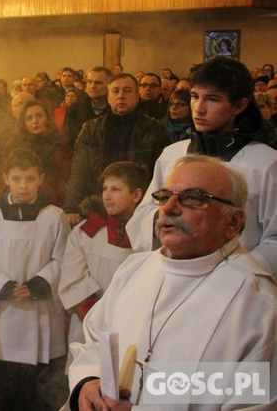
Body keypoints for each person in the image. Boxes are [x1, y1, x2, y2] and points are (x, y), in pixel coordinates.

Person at [67, 156, 277, 409]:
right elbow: (95, 343)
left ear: (233, 222)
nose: (168, 208)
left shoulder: (258, 307)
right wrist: (88, 382)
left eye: (192, 198)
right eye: (165, 196)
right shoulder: (134, 270)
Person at [127, 56, 277, 276]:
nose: (199, 108)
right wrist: (173, 214)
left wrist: (234, 273)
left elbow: (274, 239)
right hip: (176, 276)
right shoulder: (173, 154)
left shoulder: (265, 164)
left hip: (237, 284)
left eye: (213, 99)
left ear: (240, 105)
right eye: (195, 97)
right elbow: (143, 216)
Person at [0, 148, 69, 410]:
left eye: (30, 179)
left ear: (41, 179)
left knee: (41, 386)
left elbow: (64, 259)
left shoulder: (53, 216)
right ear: (6, 179)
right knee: (7, 381)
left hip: (41, 307)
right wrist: (3, 286)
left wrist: (38, 285)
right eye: (17, 178)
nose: (24, 185)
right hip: (6, 308)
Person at [58, 162, 148, 364]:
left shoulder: (148, 237)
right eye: (105, 189)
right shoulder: (86, 232)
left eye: (115, 189)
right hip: (88, 324)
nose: (107, 196)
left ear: (136, 195)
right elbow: (73, 280)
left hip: (132, 326)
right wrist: (99, 322)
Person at [63, 73, 171, 225]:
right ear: (108, 97)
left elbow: (162, 175)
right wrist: (72, 207)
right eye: (115, 91)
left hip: (140, 210)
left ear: (137, 96)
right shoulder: (91, 130)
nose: (121, 96)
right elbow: (79, 172)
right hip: (98, 207)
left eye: (127, 91)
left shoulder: (155, 129)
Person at [8, 100, 73, 206]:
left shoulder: (61, 146)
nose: (35, 121)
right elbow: (8, 178)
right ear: (24, 123)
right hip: (20, 201)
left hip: (54, 201)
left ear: (47, 118)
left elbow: (64, 178)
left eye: (39, 116)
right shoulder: (14, 146)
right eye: (29, 118)